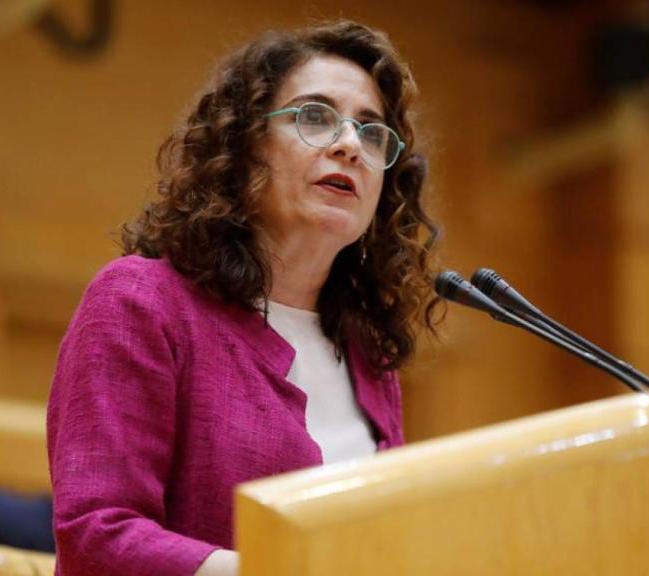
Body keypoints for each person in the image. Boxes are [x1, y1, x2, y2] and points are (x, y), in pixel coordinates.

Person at [46, 20, 440, 576]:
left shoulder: (367, 353)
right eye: (315, 117)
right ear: (246, 145)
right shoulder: (141, 302)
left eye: (372, 132)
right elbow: (97, 536)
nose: (350, 145)